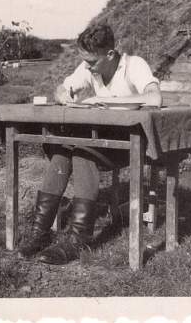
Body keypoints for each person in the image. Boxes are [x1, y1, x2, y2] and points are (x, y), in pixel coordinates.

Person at [18, 23, 162, 265]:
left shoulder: (134, 65)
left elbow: (155, 97)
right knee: (63, 150)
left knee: (82, 151)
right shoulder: (90, 66)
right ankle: (40, 233)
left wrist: (107, 101)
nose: (87, 66)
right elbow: (63, 86)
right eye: (85, 62)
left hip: (128, 144)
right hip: (100, 139)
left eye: (92, 62)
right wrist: (62, 93)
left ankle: (78, 238)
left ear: (110, 54)